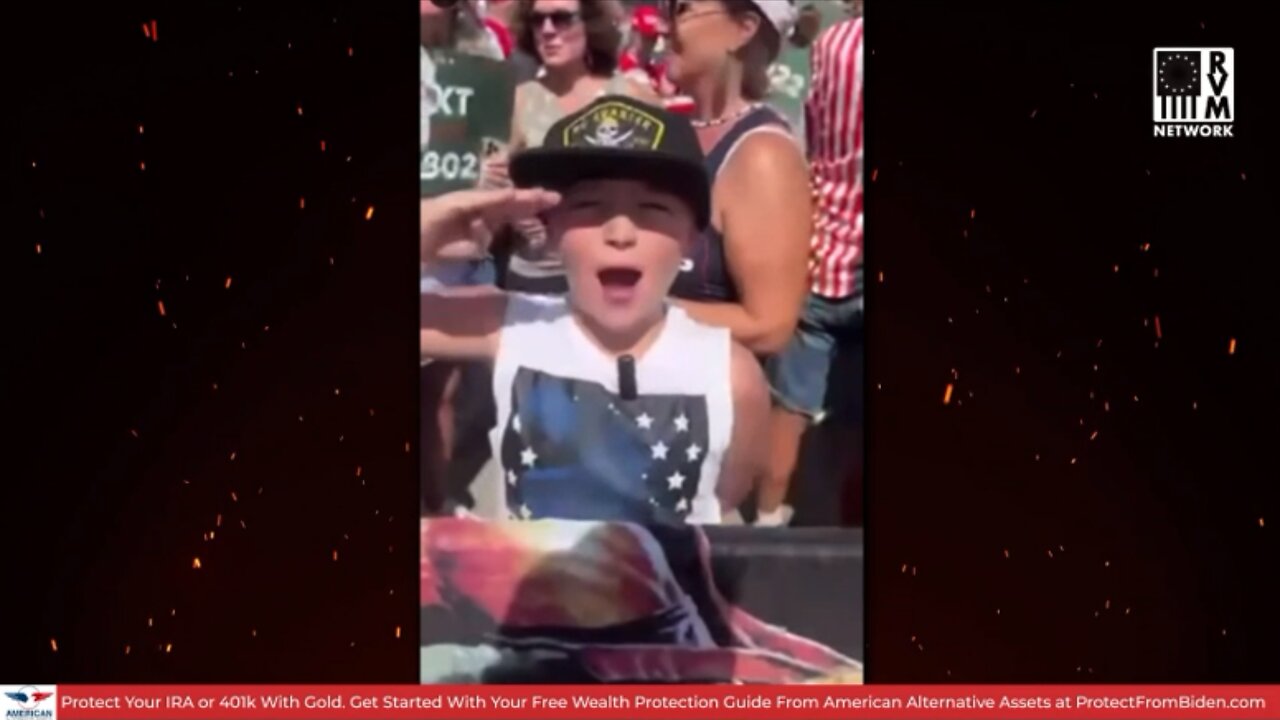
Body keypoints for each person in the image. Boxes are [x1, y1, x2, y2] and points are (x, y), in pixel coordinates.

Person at [421, 96, 769, 525]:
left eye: (653, 209)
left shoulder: (730, 372)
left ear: (691, 241)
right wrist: (427, 228)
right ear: (550, 232)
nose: (620, 232)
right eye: (589, 206)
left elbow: (730, 490)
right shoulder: (514, 325)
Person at [659, 0, 815, 524]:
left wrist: (635, 305)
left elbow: (769, 325)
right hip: (632, 431)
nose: (665, 25)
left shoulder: (762, 155)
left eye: (681, 8)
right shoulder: (672, 130)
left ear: (742, 29)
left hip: (696, 456)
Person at [761, 0, 864, 526]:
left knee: (791, 409)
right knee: (851, 418)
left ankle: (767, 522)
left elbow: (812, 132)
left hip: (827, 246)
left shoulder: (832, 46)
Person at [482, 0, 659, 296]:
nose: (548, 31)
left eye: (561, 19)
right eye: (538, 21)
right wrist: (514, 208)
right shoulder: (516, 102)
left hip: (616, 276)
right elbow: (489, 189)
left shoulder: (634, 98)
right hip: (535, 280)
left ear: (590, 24)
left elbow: (664, 188)